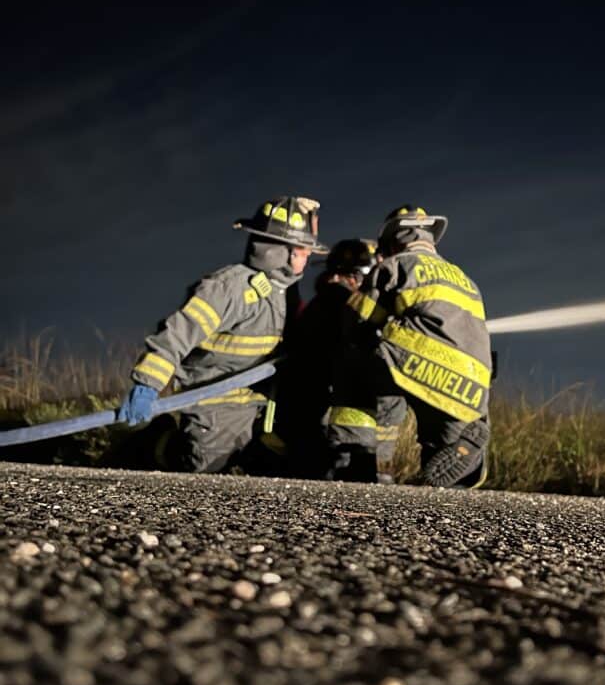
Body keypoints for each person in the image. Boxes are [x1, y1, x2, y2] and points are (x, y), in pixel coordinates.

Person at [117, 195, 328, 473]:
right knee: (204, 469)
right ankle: (157, 442)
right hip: (213, 398)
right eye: (303, 250)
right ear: (279, 252)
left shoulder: (284, 292)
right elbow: (177, 334)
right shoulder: (227, 289)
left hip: (257, 400)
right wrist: (148, 384)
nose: (308, 256)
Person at [325, 205, 492, 487]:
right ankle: (467, 456)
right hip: (472, 382)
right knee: (441, 437)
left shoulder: (394, 267)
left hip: (422, 361)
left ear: (393, 241)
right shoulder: (466, 279)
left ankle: (355, 463)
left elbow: (356, 321)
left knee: (356, 363)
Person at [253, 238, 378, 478]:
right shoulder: (343, 304)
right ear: (354, 276)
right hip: (316, 414)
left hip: (300, 415)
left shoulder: (321, 303)